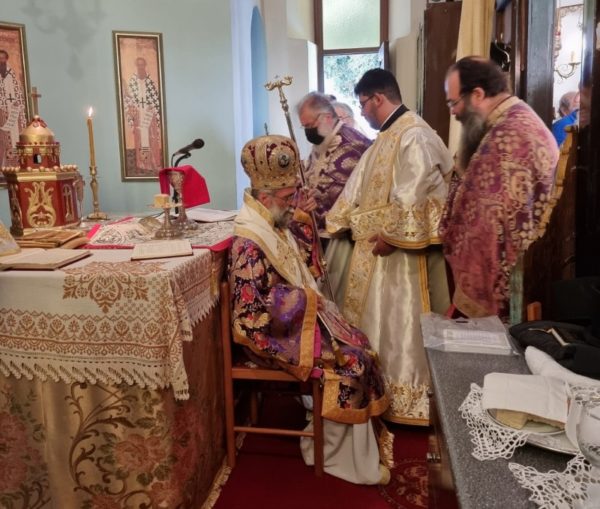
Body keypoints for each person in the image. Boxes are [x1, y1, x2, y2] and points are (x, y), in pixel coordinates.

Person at [230, 134, 392, 485]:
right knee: (351, 363)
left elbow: (302, 265)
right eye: (288, 198)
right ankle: (334, 457)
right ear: (265, 197)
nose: (292, 204)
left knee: (360, 342)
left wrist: (302, 222)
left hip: (294, 324)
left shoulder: (271, 221)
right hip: (271, 336)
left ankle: (343, 444)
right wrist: (304, 301)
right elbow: (249, 314)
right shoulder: (249, 239)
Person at [326, 69, 453, 425]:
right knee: (379, 323)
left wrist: (391, 236)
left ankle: (409, 397)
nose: (361, 112)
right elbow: (358, 185)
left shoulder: (414, 134)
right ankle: (379, 391)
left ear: (378, 98)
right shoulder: (387, 136)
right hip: (376, 250)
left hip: (400, 253)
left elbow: (412, 192)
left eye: (363, 104)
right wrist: (336, 220)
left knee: (402, 325)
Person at [441, 56, 559, 319]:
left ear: (477, 94)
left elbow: (484, 228)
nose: (452, 112)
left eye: (453, 103)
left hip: (504, 296)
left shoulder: (506, 139)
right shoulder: (518, 120)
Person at [296, 92, 371, 232]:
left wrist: (317, 204)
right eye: (304, 127)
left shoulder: (352, 144)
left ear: (327, 118)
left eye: (310, 125)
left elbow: (345, 198)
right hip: (321, 231)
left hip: (345, 234)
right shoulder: (323, 141)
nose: (308, 131)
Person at [124, 56, 162, 175]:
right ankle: (142, 164)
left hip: (149, 115)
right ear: (136, 66)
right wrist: (133, 110)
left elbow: (156, 100)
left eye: (142, 65)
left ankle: (152, 163)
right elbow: (129, 99)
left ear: (145, 66)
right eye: (138, 65)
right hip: (138, 116)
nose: (141, 67)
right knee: (141, 139)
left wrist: (152, 108)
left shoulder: (150, 82)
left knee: (151, 138)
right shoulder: (132, 82)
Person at [0, 49, 27, 168]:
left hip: (14, 111)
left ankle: (17, 164)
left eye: (3, 58)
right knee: (4, 139)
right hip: (2, 112)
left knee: (16, 135)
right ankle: (5, 166)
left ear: (6, 59)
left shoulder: (11, 74)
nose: (1, 60)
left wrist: (17, 103)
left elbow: (18, 92)